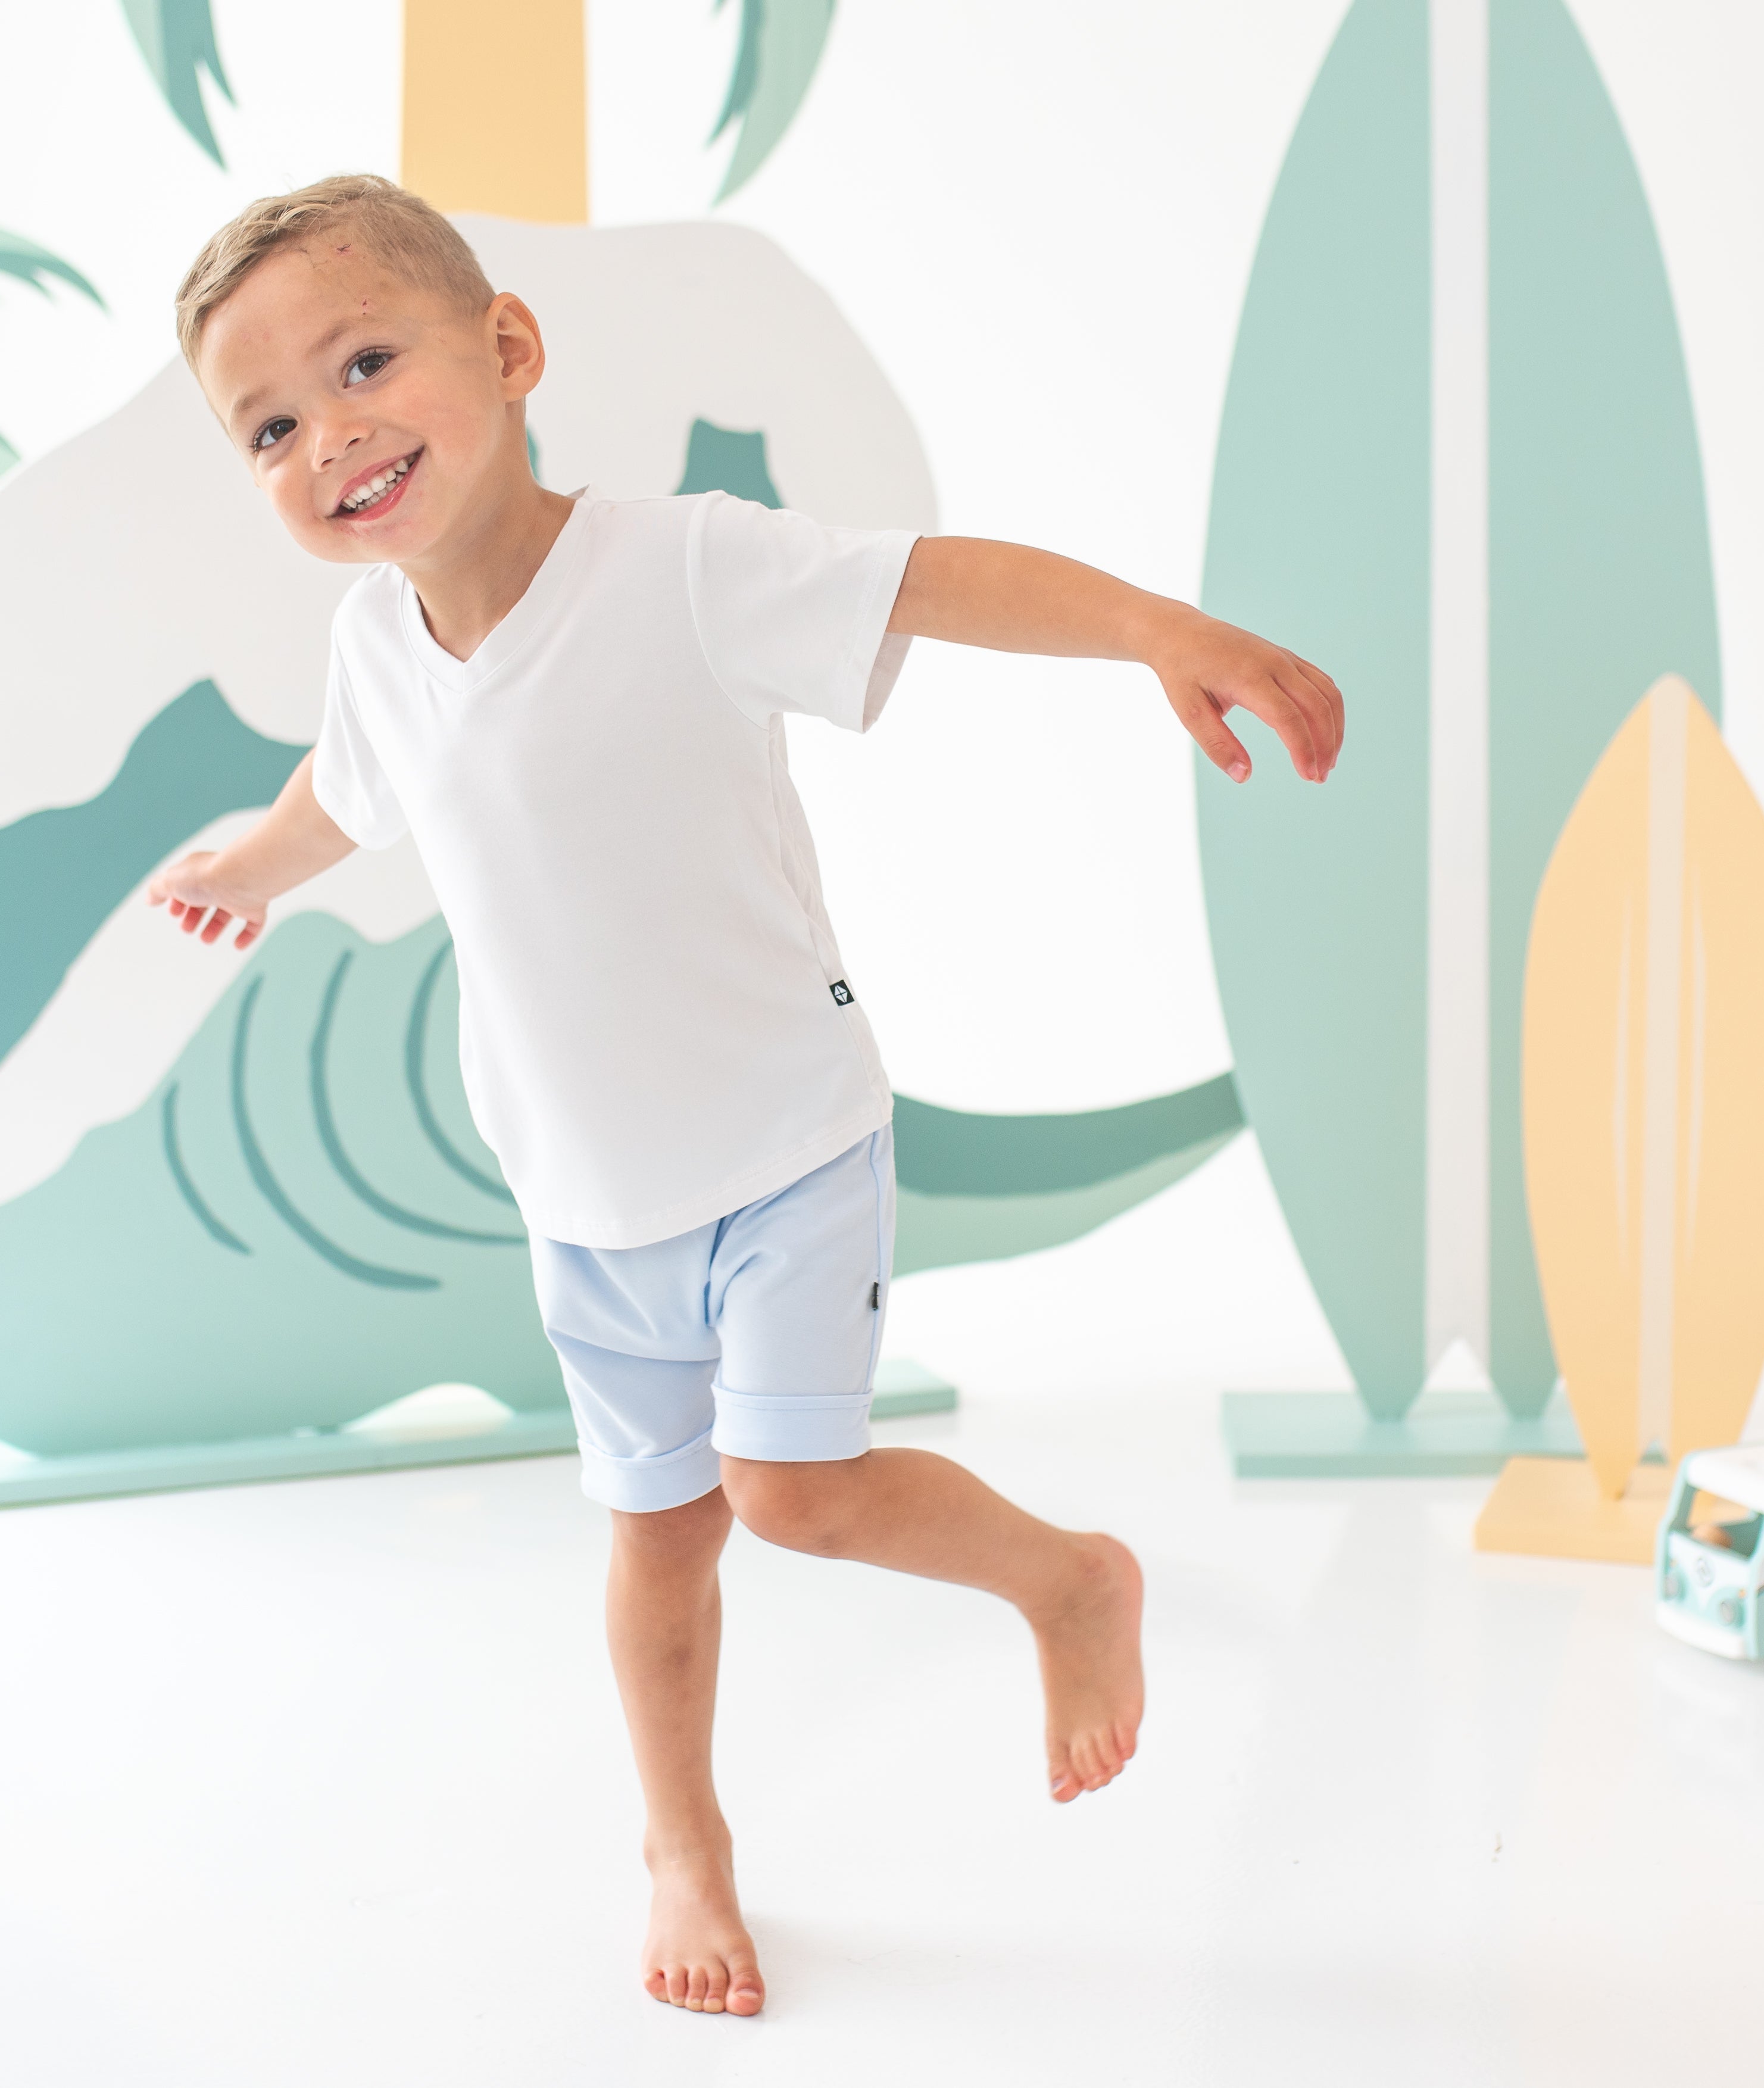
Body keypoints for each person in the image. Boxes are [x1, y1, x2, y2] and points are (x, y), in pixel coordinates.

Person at [151, 174, 1342, 2019]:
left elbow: (931, 582)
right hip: (582, 1195)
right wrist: (255, 859)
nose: (335, 434)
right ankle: (682, 1840)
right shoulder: (377, 652)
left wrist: (1160, 632)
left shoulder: (679, 563)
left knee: (789, 1494)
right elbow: (346, 792)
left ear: (509, 347)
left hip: (785, 1145)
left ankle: (1064, 1580)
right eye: (274, 425)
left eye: (366, 360)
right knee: (655, 1548)